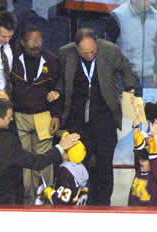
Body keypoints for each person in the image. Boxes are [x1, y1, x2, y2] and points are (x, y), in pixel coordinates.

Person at [58, 28, 139, 205]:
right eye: (85, 53)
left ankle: (103, 206)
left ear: (97, 43)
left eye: (93, 51)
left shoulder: (110, 50)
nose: (89, 55)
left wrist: (129, 87)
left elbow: (126, 69)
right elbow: (60, 81)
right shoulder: (65, 54)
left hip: (105, 117)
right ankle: (78, 203)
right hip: (77, 119)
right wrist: (55, 93)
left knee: (104, 165)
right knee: (77, 164)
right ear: (76, 48)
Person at [10, 25, 62, 204]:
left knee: (45, 161)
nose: (35, 44)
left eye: (38, 40)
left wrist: (56, 116)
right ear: (23, 42)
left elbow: (57, 91)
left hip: (43, 116)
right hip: (19, 116)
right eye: (31, 40)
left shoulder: (51, 60)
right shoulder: (12, 58)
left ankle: (46, 202)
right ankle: (27, 202)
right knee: (24, 162)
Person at [109, 0, 157, 88]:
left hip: (148, 79)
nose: (149, 1)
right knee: (126, 102)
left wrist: (155, 71)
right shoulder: (118, 16)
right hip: (125, 78)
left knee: (148, 102)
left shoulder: (155, 16)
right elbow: (109, 50)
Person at [35, 131, 89, 206]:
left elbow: (61, 202)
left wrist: (48, 192)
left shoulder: (65, 172)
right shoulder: (82, 170)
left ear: (66, 155)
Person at [128, 118, 157, 206]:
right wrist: (135, 127)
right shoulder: (139, 170)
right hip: (132, 214)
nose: (140, 162)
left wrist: (155, 135)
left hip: (150, 216)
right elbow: (138, 149)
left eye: (144, 160)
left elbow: (156, 158)